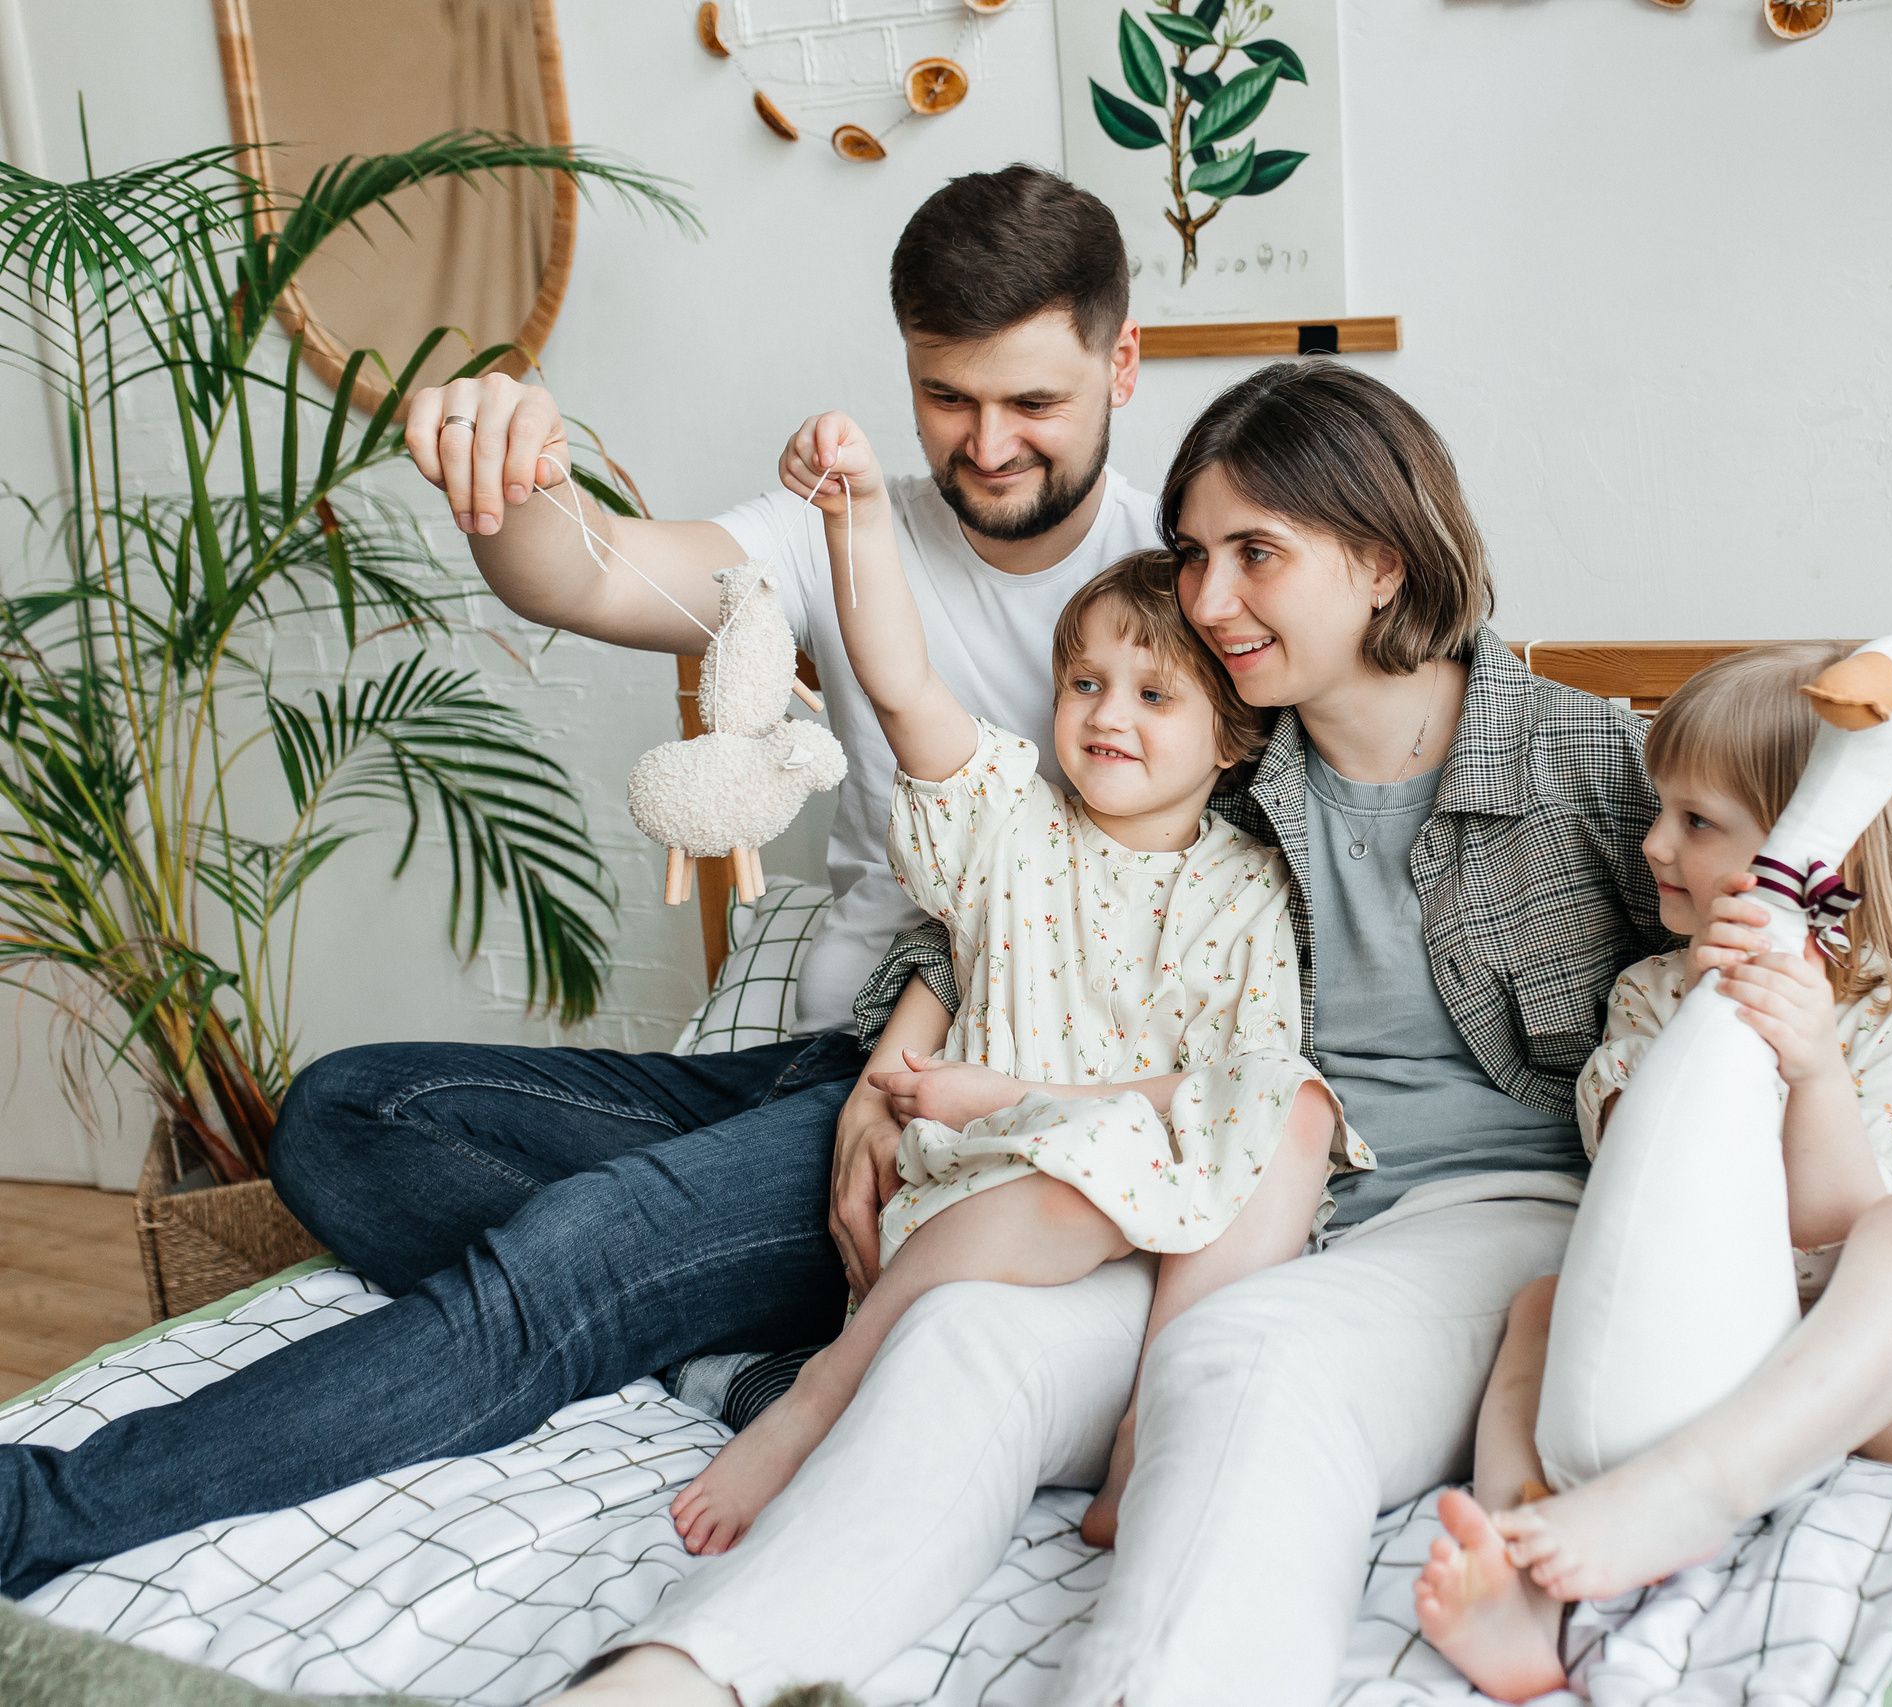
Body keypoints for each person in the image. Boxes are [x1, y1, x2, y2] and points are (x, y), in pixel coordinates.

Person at [0, 164, 1159, 1597]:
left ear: (1121, 362)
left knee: (570, 1254)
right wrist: (515, 480)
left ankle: (35, 1506)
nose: (986, 443)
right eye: (947, 396)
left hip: (956, 1105)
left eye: (1032, 403)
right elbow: (591, 576)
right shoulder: (851, 528)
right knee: (343, 1116)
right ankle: (710, 1314)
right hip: (812, 1065)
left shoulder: (1188, 583)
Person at [556, 361, 1677, 1706]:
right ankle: (685, 1671)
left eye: (1255, 553)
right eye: (1195, 553)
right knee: (962, 1333)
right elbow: (1026, 896)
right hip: (1203, 1206)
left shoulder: (1581, 760)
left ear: (1382, 563)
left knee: (1251, 1363)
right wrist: (891, 1054)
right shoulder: (1227, 758)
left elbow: (1740, 1005)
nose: (1206, 599)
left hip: (1472, 1214)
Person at [668, 474, 1369, 1553]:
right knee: (1076, 1181)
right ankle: (818, 1392)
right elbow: (903, 688)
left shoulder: (1249, 890)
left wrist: (1019, 1089)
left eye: (1153, 694)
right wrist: (853, 524)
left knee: (1282, 1104)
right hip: (998, 1193)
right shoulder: (1010, 827)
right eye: (1084, 681)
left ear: (1232, 739)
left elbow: (1236, 1097)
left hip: (1159, 1218)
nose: (1106, 714)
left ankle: (1156, 1422)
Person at [1412, 643, 1892, 1702]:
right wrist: (1715, 1021)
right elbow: (1651, 1199)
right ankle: (1522, 1558)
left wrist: (1813, 1071)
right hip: (1710, 1345)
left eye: (1696, 821)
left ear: (1822, 853)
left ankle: (1696, 1490)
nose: (1651, 844)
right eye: (1660, 809)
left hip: (1890, 1387)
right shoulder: (1646, 997)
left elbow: (1834, 1227)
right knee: (1539, 1303)